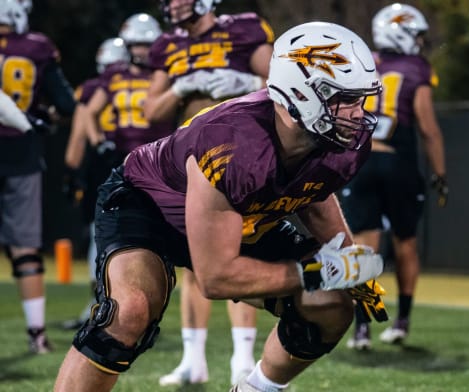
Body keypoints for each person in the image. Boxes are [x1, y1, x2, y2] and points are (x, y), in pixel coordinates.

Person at [53, 21, 386, 392]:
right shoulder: (233, 142)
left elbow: (316, 191)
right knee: (129, 312)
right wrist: (318, 271)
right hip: (148, 204)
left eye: (361, 99)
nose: (358, 113)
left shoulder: (339, 139)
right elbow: (215, 278)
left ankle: (253, 388)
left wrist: (348, 259)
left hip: (240, 212)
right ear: (301, 93)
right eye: (345, 98)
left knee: (333, 304)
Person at [144, 0, 274, 385]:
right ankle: (193, 359)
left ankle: (242, 359)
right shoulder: (168, 44)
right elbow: (151, 110)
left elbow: (287, 85)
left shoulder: (246, 29)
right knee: (192, 260)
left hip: (241, 152)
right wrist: (182, 87)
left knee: (239, 253)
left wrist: (249, 85)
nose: (174, 4)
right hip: (189, 160)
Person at [341, 3, 448, 350]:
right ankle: (401, 321)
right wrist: (440, 173)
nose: (419, 42)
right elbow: (427, 126)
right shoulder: (416, 68)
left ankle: (362, 327)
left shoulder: (362, 62)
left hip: (361, 160)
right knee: (405, 244)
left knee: (362, 247)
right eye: (416, 34)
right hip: (398, 161)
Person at [0, 0, 76, 354]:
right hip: (21, 154)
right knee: (25, 248)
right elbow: (66, 104)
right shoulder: (35, 47)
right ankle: (37, 336)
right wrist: (41, 114)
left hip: (20, 150)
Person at [61, 36, 131, 331]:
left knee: (98, 234)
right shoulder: (138, 79)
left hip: (104, 163)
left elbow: (79, 131)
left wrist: (71, 170)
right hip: (137, 158)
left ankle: (102, 305)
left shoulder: (95, 87)